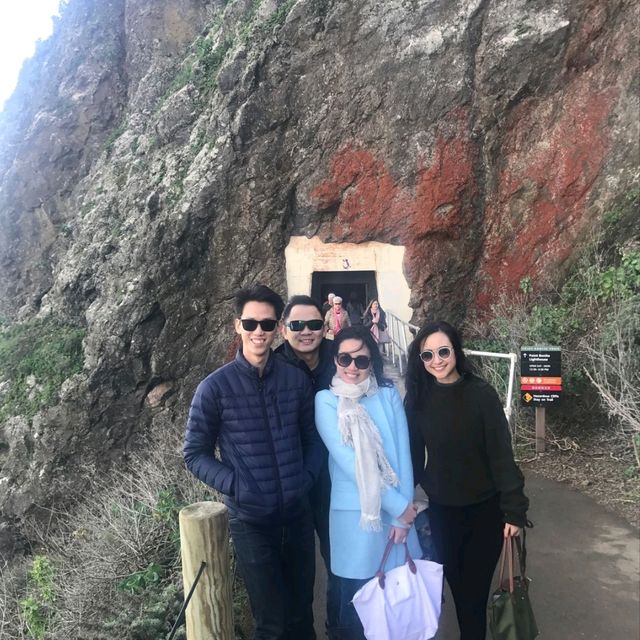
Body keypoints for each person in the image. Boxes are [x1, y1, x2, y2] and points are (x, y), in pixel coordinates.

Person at [183, 284, 323, 640]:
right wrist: (237, 486)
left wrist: (303, 480)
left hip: (297, 515)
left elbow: (314, 440)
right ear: (237, 326)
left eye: (267, 324)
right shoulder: (214, 388)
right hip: (251, 523)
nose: (258, 331)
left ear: (277, 327)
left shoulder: (294, 380)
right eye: (250, 323)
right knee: (270, 623)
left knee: (301, 615)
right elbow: (194, 454)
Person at [404, 320, 529, 640]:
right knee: (460, 592)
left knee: (472, 597)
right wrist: (400, 502)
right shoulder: (418, 400)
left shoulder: (481, 395)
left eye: (443, 351)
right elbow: (414, 460)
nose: (437, 361)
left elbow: (502, 455)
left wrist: (514, 510)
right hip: (443, 513)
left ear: (456, 351)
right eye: (427, 355)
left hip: (485, 513)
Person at [315, 325, 420, 640]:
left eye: (361, 361)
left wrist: (404, 514)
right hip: (355, 517)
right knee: (357, 606)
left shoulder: (388, 395)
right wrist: (400, 507)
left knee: (396, 604)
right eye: (344, 358)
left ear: (372, 362)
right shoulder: (326, 401)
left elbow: (404, 455)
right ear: (334, 360)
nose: (351, 367)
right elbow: (349, 463)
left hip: (396, 516)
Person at [274, 294, 337, 633]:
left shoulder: (342, 358)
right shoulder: (273, 367)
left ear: (324, 327)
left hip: (337, 479)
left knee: (339, 562)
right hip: (294, 480)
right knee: (299, 575)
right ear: (284, 330)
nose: (306, 331)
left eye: (314, 324)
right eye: (297, 325)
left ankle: (339, 627)